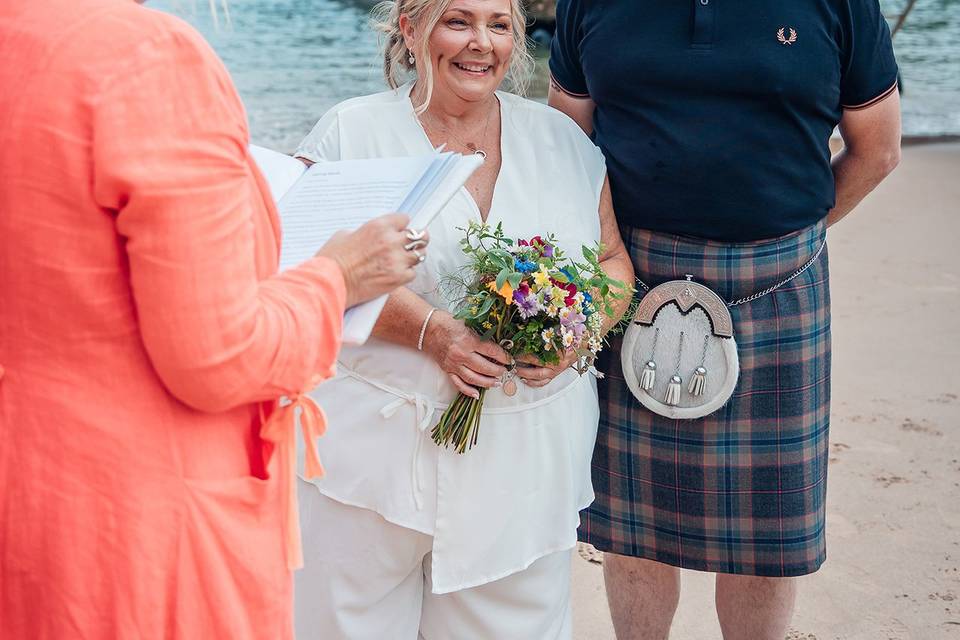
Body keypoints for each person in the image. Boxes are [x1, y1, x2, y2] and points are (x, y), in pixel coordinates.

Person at [0, 0, 427, 637]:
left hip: (28, 490)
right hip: (138, 529)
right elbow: (222, 354)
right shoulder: (148, 62)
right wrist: (340, 275)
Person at [548, 0, 901, 638]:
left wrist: (787, 240)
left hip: (778, 286)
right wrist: (606, 258)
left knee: (767, 539)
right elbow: (566, 145)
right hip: (630, 280)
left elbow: (877, 149)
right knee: (633, 529)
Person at [291, 0, 634, 637]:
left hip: (525, 471)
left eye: (499, 25)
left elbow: (612, 262)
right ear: (410, 29)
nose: (481, 43)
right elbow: (306, 261)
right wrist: (432, 332)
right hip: (370, 466)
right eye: (458, 21)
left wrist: (574, 336)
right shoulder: (350, 133)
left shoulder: (562, 141)